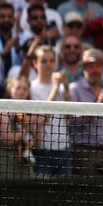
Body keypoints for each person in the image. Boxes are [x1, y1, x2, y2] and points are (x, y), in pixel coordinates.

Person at [69, 48, 103, 176]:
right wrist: (98, 104)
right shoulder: (74, 89)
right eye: (90, 66)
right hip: (85, 152)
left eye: (98, 66)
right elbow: (75, 123)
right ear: (84, 68)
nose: (95, 70)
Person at [29, 45, 73, 176]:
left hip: (64, 149)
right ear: (35, 63)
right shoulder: (32, 88)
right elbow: (44, 116)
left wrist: (65, 87)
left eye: (52, 60)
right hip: (43, 151)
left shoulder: (60, 88)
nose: (48, 64)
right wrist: (56, 87)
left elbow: (70, 116)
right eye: (44, 61)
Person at [0, 75, 39, 179]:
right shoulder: (3, 109)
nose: (21, 91)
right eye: (18, 88)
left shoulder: (29, 111)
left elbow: (37, 141)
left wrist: (30, 125)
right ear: (10, 89)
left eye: (25, 89)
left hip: (24, 167)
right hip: (6, 163)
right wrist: (24, 131)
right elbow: (6, 139)